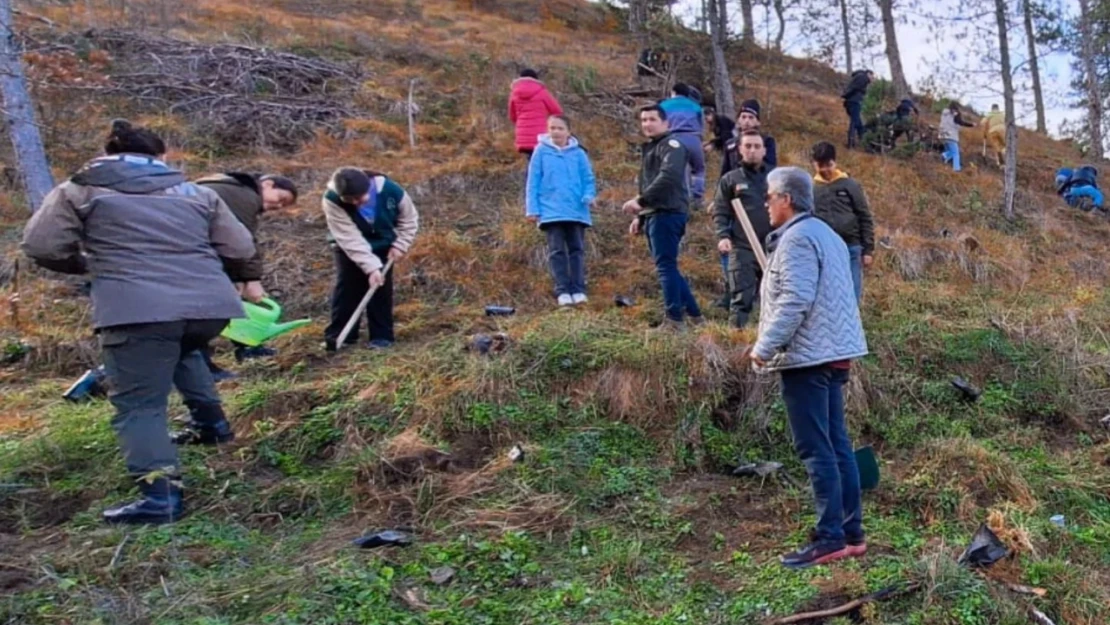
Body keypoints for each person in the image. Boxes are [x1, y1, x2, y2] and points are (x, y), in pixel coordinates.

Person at [21, 119, 256, 525]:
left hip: (136, 308)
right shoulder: (196, 192)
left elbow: (41, 245)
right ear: (161, 157)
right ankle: (212, 426)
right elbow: (239, 246)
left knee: (139, 404)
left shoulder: (79, 190)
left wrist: (85, 264)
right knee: (182, 347)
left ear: (109, 153)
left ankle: (159, 496)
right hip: (209, 306)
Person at [750, 166, 869, 570]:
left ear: (787, 199)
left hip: (809, 356)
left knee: (816, 448)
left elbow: (796, 298)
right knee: (837, 445)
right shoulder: (828, 235)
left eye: (769, 196)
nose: (766, 203)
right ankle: (851, 534)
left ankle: (830, 537)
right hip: (835, 353)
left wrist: (765, 346)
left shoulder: (797, 239)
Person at [195, 172, 299, 376]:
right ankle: (204, 369)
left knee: (230, 303)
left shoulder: (228, 188)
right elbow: (242, 242)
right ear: (267, 184)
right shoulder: (244, 197)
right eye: (281, 199)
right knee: (199, 314)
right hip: (197, 262)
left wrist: (239, 278)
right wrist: (249, 279)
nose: (279, 207)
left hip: (200, 257)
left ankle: (247, 347)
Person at [622, 105, 704, 330]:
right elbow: (651, 182)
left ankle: (674, 320)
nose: (647, 124)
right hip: (656, 212)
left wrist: (640, 202)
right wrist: (641, 215)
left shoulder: (672, 146)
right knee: (668, 266)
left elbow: (668, 177)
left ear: (666, 123)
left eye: (652, 119)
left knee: (665, 267)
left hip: (668, 212)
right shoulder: (653, 148)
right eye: (644, 120)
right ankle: (695, 316)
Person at [322, 167, 419, 351]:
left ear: (369, 188)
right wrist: (371, 267)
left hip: (384, 245)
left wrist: (400, 245)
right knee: (347, 288)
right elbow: (349, 237)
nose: (356, 203)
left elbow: (409, 220)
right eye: (350, 200)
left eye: (360, 198)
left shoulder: (391, 191)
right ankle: (341, 336)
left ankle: (382, 336)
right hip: (349, 248)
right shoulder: (332, 199)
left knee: (381, 290)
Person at [526, 115, 597, 306]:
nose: (555, 132)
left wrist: (588, 196)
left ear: (568, 131)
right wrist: (532, 209)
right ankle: (562, 290)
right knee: (557, 251)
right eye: (552, 128)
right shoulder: (540, 151)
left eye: (560, 128)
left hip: (576, 210)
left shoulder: (579, 153)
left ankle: (578, 288)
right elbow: (533, 181)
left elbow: (588, 178)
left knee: (577, 250)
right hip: (551, 211)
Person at [714, 130, 773, 328]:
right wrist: (723, 236)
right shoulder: (730, 180)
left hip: (774, 247)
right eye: (747, 146)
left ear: (764, 150)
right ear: (740, 150)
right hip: (742, 247)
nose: (752, 151)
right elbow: (721, 211)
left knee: (776, 300)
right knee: (741, 298)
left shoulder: (776, 178)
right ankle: (736, 341)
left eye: (757, 146)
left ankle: (772, 345)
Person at [810, 142, 876, 302]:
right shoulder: (812, 189)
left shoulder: (850, 185)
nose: (825, 169)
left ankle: (852, 324)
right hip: (825, 249)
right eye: (821, 165)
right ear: (814, 164)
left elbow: (864, 216)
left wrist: (868, 250)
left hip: (851, 247)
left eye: (829, 165)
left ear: (835, 162)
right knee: (828, 294)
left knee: (852, 292)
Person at [659, 83, 707, 202]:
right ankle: (697, 197)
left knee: (675, 170)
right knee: (699, 169)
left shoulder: (663, 105)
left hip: (673, 139)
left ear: (673, 92)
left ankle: (679, 197)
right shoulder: (695, 106)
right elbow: (702, 125)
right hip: (693, 138)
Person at [509, 69, 564, 160]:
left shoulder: (514, 94)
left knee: (532, 162)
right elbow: (557, 111)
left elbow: (512, 116)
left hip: (523, 136)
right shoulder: (542, 92)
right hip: (541, 136)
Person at [721, 99, 778, 175]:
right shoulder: (730, 144)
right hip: (735, 183)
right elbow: (725, 172)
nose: (747, 121)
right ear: (738, 120)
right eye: (743, 117)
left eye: (751, 117)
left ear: (758, 122)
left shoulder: (767, 141)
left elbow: (771, 167)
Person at [841, 69, 874, 149]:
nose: (873, 78)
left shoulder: (857, 77)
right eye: (872, 76)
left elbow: (852, 88)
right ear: (868, 74)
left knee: (859, 124)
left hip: (850, 101)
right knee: (854, 122)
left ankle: (864, 142)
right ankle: (851, 143)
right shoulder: (863, 78)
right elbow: (856, 89)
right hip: (855, 102)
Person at [938, 102, 975, 172]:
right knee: (955, 153)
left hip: (942, 135)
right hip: (951, 135)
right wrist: (971, 125)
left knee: (950, 151)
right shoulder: (955, 113)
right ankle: (956, 168)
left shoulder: (944, 113)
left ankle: (944, 158)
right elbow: (960, 122)